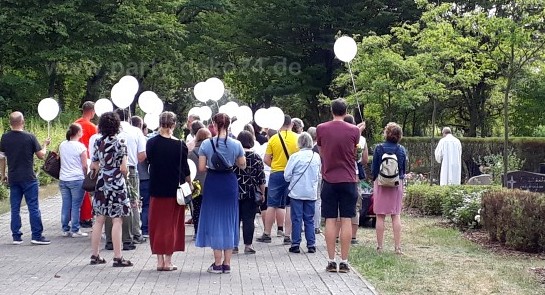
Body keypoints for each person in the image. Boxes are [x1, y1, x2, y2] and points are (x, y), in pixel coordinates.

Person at [196, 113, 246, 274]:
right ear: (229, 124)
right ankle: (227, 263)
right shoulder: (236, 144)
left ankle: (217, 263)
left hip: (213, 183)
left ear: (214, 124)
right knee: (230, 220)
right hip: (229, 183)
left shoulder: (205, 144)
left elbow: (202, 168)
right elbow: (242, 165)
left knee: (215, 220)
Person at [316, 99, 360, 273]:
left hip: (329, 178)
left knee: (330, 220)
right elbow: (354, 151)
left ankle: (331, 260)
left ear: (331, 110)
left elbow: (321, 150)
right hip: (348, 179)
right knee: (347, 218)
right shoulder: (354, 130)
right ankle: (345, 261)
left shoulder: (321, 128)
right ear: (346, 111)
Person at [146, 111, 192, 271]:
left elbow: (150, 161)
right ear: (173, 125)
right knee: (172, 225)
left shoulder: (151, 143)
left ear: (160, 123)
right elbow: (185, 169)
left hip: (157, 188)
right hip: (175, 190)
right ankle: (168, 261)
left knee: (157, 225)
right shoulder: (180, 145)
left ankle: (159, 261)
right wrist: (190, 185)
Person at [0, 112, 51, 245]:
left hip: (13, 177)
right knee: (33, 207)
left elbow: (1, 158)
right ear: (23, 122)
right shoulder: (30, 137)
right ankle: (36, 235)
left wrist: (3, 174)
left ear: (10, 123)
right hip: (29, 177)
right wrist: (45, 145)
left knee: (15, 208)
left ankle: (16, 236)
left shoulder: (5, 138)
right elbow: (41, 155)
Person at [89, 112, 132, 267]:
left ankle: (95, 255)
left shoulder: (97, 142)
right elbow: (124, 168)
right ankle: (118, 257)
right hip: (116, 184)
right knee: (117, 219)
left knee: (99, 219)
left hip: (101, 182)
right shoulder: (120, 142)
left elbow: (94, 165)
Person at [104, 109, 146, 251]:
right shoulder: (135, 131)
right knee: (131, 203)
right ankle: (132, 236)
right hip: (130, 169)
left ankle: (110, 239)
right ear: (129, 117)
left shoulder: (104, 135)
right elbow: (142, 156)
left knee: (110, 205)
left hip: (107, 172)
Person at [257, 115, 299, 245]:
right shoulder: (297, 138)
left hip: (276, 173)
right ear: (291, 125)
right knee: (289, 205)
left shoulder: (273, 139)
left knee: (272, 204)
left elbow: (266, 159)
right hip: (292, 175)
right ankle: (287, 236)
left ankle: (267, 233)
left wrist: (274, 165)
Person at [371, 122, 407, 255]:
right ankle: (397, 247)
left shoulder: (379, 148)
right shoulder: (401, 149)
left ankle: (380, 247)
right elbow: (403, 169)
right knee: (395, 215)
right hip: (396, 184)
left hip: (381, 183)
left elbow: (374, 168)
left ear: (386, 133)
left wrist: (375, 179)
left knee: (380, 216)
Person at [284, 132, 321, 254]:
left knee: (296, 218)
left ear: (299, 142)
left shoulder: (295, 157)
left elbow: (286, 175)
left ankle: (295, 243)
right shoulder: (316, 156)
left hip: (297, 192)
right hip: (311, 192)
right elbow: (318, 174)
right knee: (309, 219)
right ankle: (311, 244)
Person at [233, 131, 265, 254]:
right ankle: (248, 245)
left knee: (235, 219)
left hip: (235, 191)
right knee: (249, 219)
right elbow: (261, 178)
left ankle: (234, 245)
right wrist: (262, 193)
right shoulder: (256, 158)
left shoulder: (234, 157)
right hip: (251, 192)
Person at [59, 123, 88, 237]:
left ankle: (65, 228)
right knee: (76, 205)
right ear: (78, 132)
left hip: (63, 178)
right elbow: (85, 165)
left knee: (66, 204)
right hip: (77, 178)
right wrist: (86, 177)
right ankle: (75, 229)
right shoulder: (81, 147)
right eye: (81, 130)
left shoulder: (62, 145)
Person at [74, 101, 97, 228]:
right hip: (87, 160)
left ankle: (75, 217)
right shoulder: (92, 127)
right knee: (88, 190)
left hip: (73, 161)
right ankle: (86, 217)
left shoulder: (75, 124)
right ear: (92, 111)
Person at [187, 128, 211, 239]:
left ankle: (197, 232)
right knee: (208, 209)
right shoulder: (210, 151)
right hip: (209, 183)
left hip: (196, 185)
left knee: (196, 209)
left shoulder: (191, 152)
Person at [131, 116, 150, 238]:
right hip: (145, 176)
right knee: (146, 204)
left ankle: (133, 229)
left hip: (131, 174)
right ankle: (145, 229)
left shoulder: (124, 137)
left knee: (133, 203)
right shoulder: (145, 140)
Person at [306, 127, 322, 234]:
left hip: (306, 176)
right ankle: (316, 226)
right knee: (317, 201)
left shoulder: (306, 149)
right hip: (318, 175)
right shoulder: (320, 148)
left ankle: (305, 224)